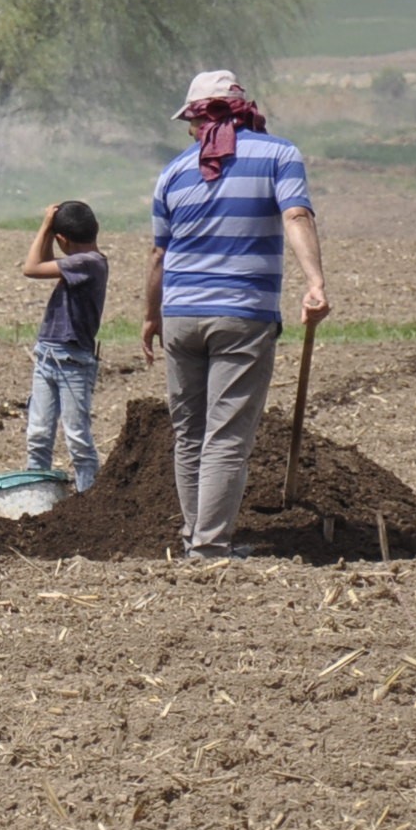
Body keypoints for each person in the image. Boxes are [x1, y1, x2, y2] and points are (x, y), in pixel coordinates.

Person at [141, 71, 327, 559]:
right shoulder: (279, 155)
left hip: (180, 314)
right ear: (243, 110)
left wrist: (150, 316)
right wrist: (315, 282)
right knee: (225, 434)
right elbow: (296, 216)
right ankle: (209, 546)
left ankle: (191, 537)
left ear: (197, 119)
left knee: (189, 433)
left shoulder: (172, 173)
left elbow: (159, 255)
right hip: (242, 312)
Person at [19, 199, 110, 491]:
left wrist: (45, 225)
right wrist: (50, 234)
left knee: (77, 440)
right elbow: (45, 262)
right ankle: (37, 496)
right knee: (38, 435)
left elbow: (31, 268)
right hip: (49, 354)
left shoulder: (90, 263)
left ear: (63, 240)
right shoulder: (83, 262)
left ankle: (88, 499)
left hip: (72, 362)